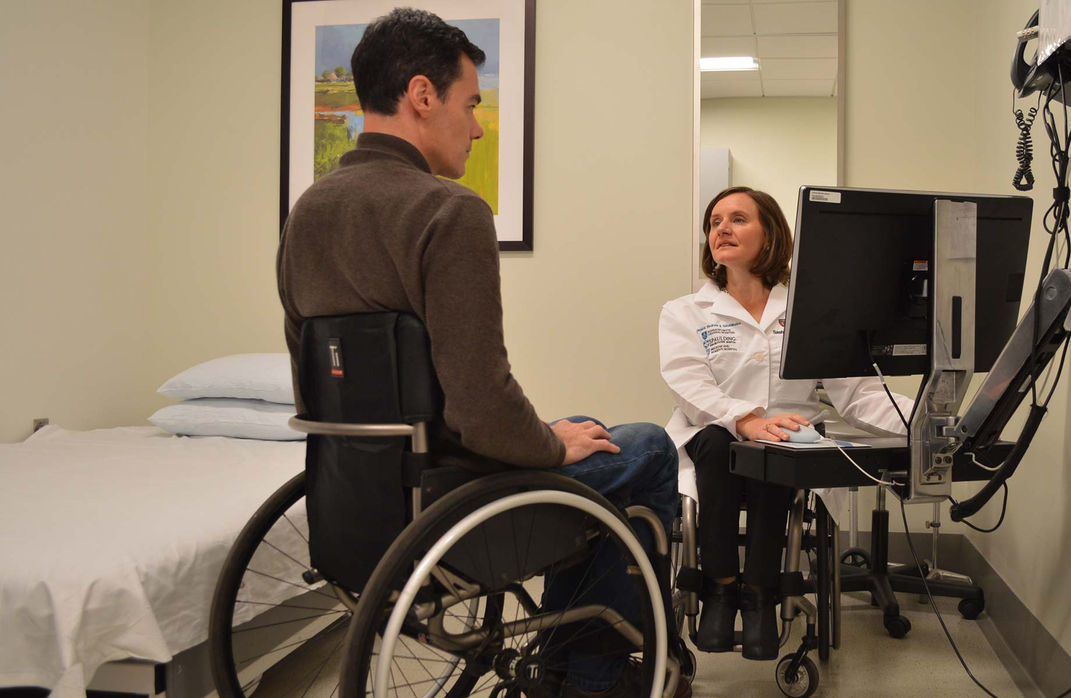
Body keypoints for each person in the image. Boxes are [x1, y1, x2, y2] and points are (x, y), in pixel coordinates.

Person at [276, 9, 685, 697]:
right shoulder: (448, 210)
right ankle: (592, 675)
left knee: (581, 425)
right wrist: (548, 449)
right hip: (449, 503)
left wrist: (554, 436)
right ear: (422, 95)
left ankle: (564, 657)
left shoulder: (308, 212)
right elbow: (483, 407)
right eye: (471, 105)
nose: (477, 126)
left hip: (358, 505)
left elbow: (313, 378)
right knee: (642, 447)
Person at [658, 186, 911, 660]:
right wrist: (747, 420)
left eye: (737, 219)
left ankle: (759, 597)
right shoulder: (684, 312)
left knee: (782, 442)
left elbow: (854, 393)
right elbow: (689, 387)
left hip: (785, 452)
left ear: (770, 234)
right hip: (713, 448)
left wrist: (927, 423)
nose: (722, 229)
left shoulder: (808, 311)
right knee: (720, 438)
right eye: (715, 222)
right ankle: (719, 589)